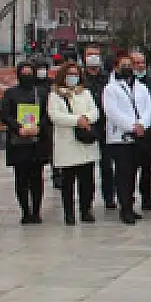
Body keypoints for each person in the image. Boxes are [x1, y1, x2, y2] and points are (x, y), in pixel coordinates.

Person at [103, 53, 151, 225]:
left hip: (139, 136)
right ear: (116, 67)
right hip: (121, 137)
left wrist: (142, 124)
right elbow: (112, 112)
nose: (127, 67)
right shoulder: (110, 88)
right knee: (123, 174)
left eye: (129, 64)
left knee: (134, 172)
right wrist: (132, 126)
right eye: (123, 64)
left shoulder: (141, 87)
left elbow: (149, 107)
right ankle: (124, 208)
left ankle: (131, 205)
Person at [47, 62, 101, 225]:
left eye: (75, 74)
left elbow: (95, 111)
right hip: (67, 143)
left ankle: (86, 210)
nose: (73, 77)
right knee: (68, 182)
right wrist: (77, 120)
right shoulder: (56, 94)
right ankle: (69, 213)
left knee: (87, 181)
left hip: (85, 143)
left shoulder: (85, 93)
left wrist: (86, 119)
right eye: (70, 74)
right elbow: (54, 116)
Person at [0, 61, 52, 224]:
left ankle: (36, 211)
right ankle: (25, 211)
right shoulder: (11, 93)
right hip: (18, 141)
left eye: (30, 72)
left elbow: (47, 113)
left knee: (37, 178)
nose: (27, 75)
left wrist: (38, 127)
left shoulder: (42, 92)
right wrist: (18, 127)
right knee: (21, 178)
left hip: (37, 140)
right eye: (24, 72)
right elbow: (5, 114)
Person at [82, 44, 114, 209]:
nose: (93, 57)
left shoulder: (108, 78)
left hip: (105, 126)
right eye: (89, 54)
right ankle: (87, 201)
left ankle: (109, 198)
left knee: (107, 165)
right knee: (86, 167)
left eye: (96, 54)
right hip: (86, 127)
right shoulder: (80, 78)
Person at [131, 51, 151, 211]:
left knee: (147, 168)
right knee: (130, 169)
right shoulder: (124, 83)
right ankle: (127, 200)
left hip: (148, 131)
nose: (140, 65)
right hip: (130, 131)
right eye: (136, 63)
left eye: (142, 62)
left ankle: (147, 199)